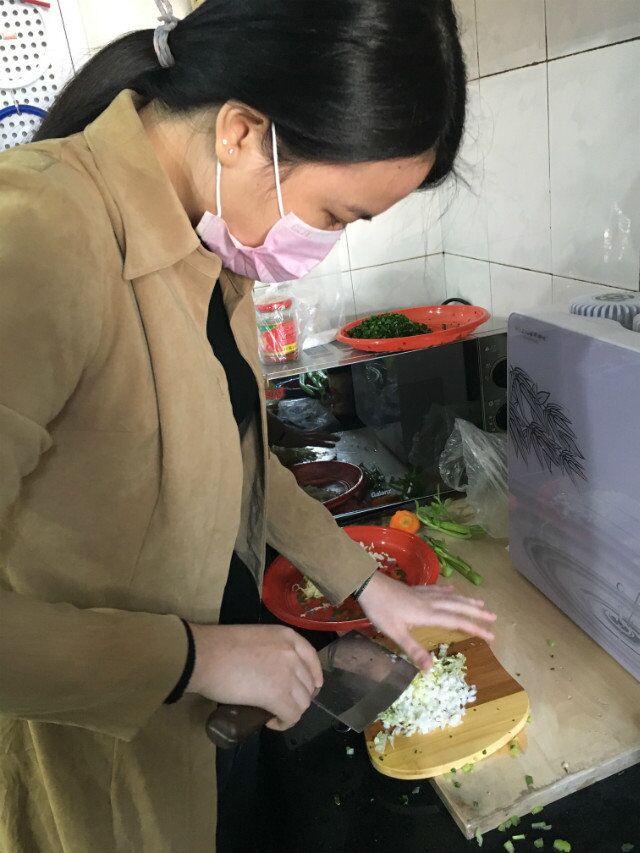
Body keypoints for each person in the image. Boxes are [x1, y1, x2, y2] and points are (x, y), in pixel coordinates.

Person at [0, 1, 497, 850]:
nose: (323, 245)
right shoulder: (39, 233)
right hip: (104, 753)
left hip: (213, 706)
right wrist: (196, 656)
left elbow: (242, 464)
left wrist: (366, 583)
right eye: (335, 216)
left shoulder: (209, 244)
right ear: (240, 133)